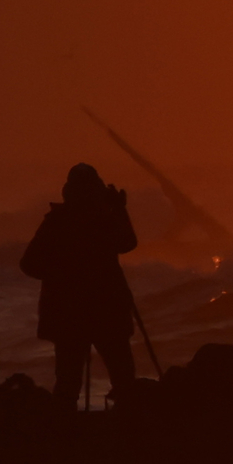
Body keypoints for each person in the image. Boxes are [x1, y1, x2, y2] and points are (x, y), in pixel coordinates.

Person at [22, 164, 142, 407]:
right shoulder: (102, 221)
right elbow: (128, 242)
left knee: (68, 381)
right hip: (106, 310)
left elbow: (29, 264)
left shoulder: (56, 222)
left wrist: (60, 277)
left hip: (69, 314)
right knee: (123, 378)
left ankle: (65, 432)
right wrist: (118, 208)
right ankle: (130, 430)